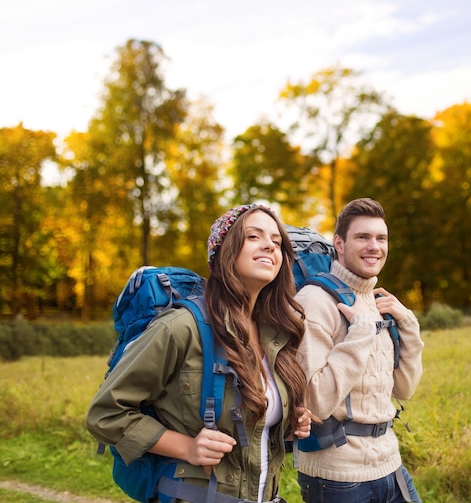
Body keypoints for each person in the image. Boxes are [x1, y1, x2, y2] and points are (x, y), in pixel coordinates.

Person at [86, 203, 312, 503]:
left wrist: (287, 424)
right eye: (254, 236)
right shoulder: (181, 327)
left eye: (277, 241)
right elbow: (105, 413)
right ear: (225, 251)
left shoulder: (276, 335)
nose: (270, 245)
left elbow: (248, 429)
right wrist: (186, 447)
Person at [295, 198, 424, 503]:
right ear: (339, 243)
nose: (374, 246)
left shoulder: (378, 301)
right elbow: (314, 402)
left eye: (381, 238)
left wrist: (408, 322)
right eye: (362, 237)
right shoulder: (314, 301)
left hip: (390, 463)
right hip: (337, 478)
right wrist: (361, 333)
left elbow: (404, 389)